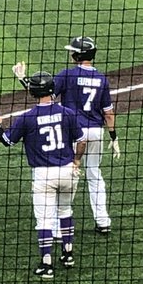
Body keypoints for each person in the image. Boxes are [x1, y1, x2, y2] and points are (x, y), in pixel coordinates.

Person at [0, 70, 86, 279]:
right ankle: (68, 254)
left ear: (33, 92)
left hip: (44, 175)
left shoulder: (27, 118)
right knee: (65, 211)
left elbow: (7, 141)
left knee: (44, 221)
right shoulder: (68, 113)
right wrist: (77, 160)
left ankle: (46, 265)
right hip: (68, 171)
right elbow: (81, 141)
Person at [53, 36, 120, 235]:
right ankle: (103, 221)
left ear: (77, 55)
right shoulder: (101, 79)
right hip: (96, 132)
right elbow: (108, 113)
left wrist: (23, 79)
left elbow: (45, 95)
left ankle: (59, 225)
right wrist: (114, 137)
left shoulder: (67, 75)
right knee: (94, 174)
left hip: (74, 133)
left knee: (68, 175)